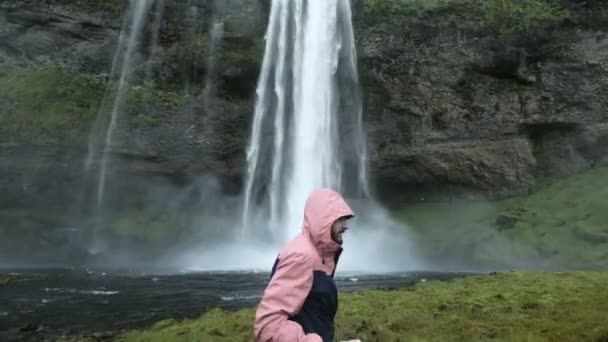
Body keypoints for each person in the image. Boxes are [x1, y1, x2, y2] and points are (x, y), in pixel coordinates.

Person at [253, 188, 360, 342]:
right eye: (340, 219)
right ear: (324, 220)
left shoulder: (318, 256)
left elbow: (311, 317)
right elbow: (269, 326)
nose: (346, 226)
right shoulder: (301, 256)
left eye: (346, 219)